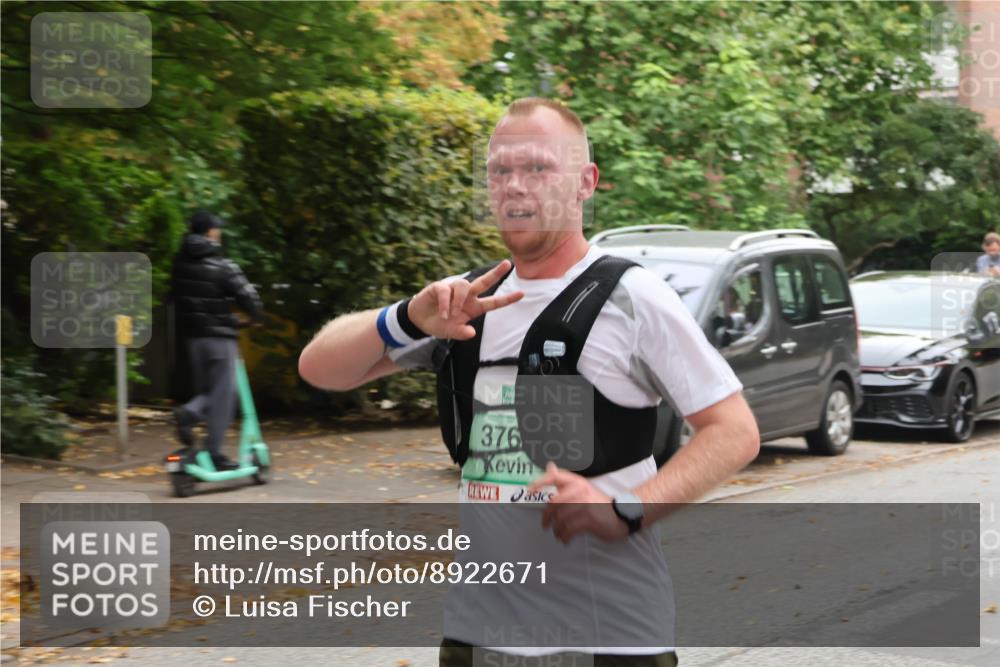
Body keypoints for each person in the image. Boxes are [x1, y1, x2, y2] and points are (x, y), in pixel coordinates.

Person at [298, 98, 760, 666]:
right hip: (476, 639)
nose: (514, 186)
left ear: (584, 182)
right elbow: (319, 369)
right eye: (499, 171)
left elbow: (734, 431)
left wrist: (627, 509)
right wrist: (406, 317)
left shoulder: (630, 296)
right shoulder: (465, 304)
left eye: (537, 167)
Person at [170, 211, 264, 470]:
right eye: (217, 229)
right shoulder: (221, 264)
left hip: (193, 340)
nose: (219, 233)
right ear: (211, 232)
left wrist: (230, 319)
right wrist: (255, 318)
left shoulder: (179, 263)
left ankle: (193, 415)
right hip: (220, 341)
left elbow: (188, 302)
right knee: (224, 395)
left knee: (208, 391)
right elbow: (249, 297)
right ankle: (211, 450)